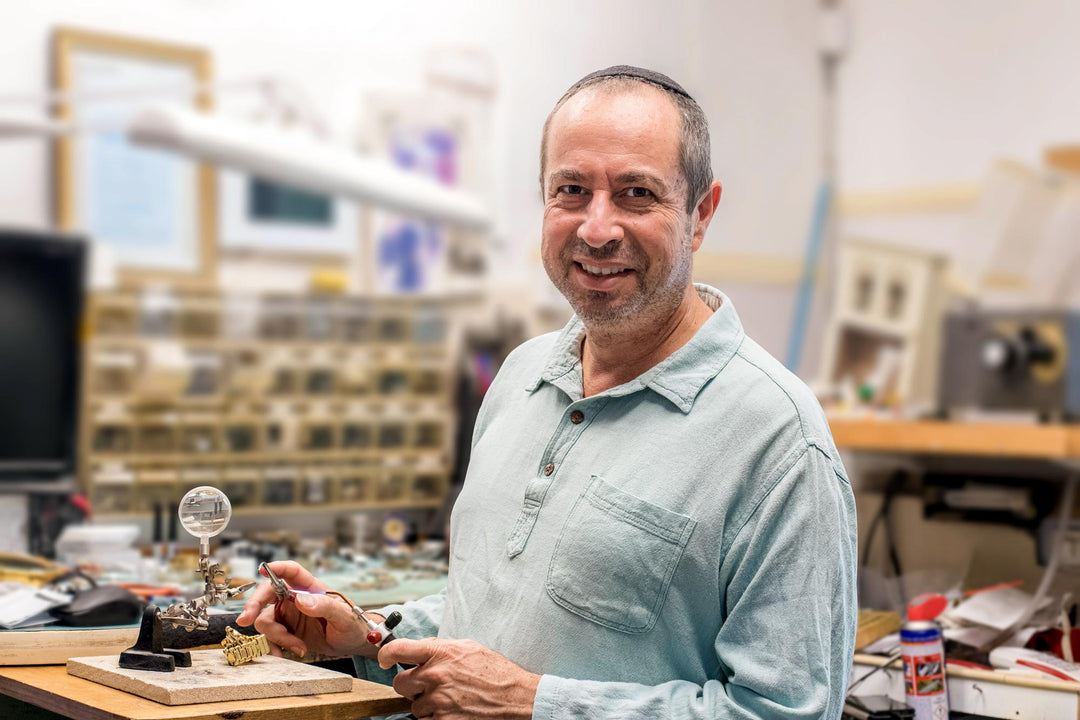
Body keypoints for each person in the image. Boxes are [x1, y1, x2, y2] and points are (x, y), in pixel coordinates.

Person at [239, 65, 858, 720]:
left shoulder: (779, 440)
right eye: (571, 190)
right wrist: (365, 636)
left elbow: (789, 712)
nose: (596, 227)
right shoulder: (521, 376)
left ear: (701, 214)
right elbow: (487, 613)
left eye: (636, 194)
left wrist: (533, 703)